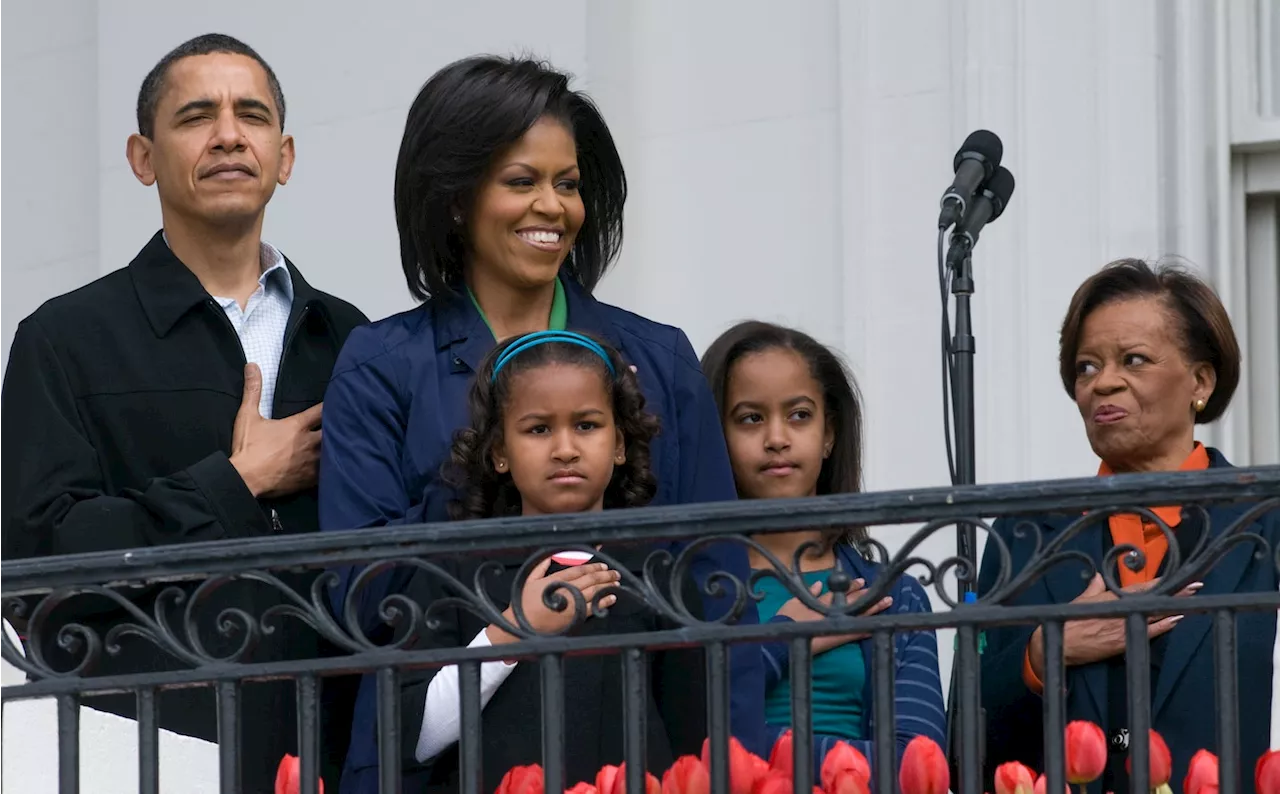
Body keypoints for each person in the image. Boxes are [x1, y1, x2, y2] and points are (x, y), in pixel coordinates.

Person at [318, 55, 764, 783]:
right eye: (521, 181)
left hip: (636, 751)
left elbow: (716, 592)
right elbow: (359, 593)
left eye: (568, 184)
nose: (552, 208)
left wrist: (735, 769)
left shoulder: (659, 359)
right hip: (439, 760)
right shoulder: (381, 362)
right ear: (457, 199)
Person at [0, 34, 367, 790]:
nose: (229, 134)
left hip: (331, 751)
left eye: (252, 116)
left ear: (285, 155)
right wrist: (237, 483)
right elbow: (35, 567)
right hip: (143, 751)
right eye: (197, 115)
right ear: (143, 158)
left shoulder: (350, 338)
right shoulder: (65, 338)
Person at [976, 259, 1277, 791]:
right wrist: (1044, 654)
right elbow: (965, 743)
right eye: (1087, 367)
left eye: (1133, 360)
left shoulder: (1264, 518)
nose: (1102, 383)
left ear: (1200, 381)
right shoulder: (1026, 533)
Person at [371, 330, 707, 792]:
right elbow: (415, 739)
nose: (565, 448)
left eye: (587, 425)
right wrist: (511, 630)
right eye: (538, 429)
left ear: (620, 444)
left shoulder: (657, 574)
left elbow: (692, 747)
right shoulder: (454, 570)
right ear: (500, 452)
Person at [700, 321, 947, 776]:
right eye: (751, 418)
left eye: (799, 415)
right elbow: (688, 730)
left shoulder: (895, 596)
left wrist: (762, 749)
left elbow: (918, 765)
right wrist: (780, 640)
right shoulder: (690, 592)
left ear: (828, 434)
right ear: (717, 438)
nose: (777, 438)